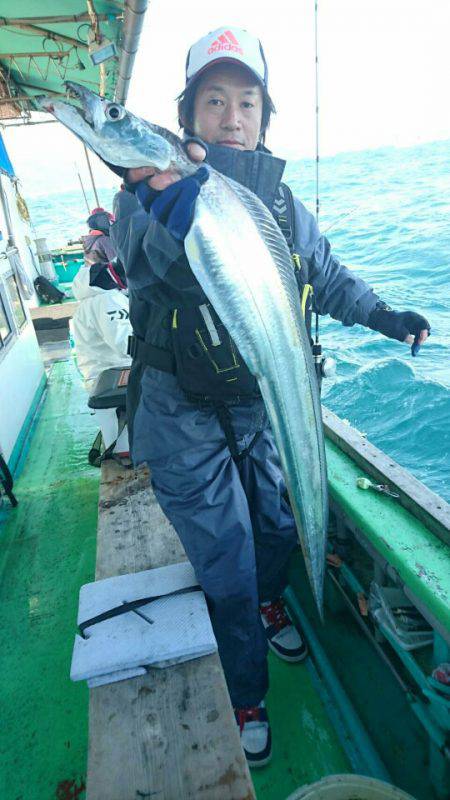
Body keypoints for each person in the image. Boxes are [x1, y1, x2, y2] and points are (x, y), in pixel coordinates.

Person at [110, 26, 430, 767]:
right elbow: (140, 266)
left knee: (279, 526)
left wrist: (385, 316)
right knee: (224, 558)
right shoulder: (146, 188)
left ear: (263, 115)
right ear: (187, 116)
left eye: (247, 102)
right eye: (214, 100)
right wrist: (173, 223)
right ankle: (247, 690)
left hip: (259, 406)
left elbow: (326, 274)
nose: (231, 117)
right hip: (179, 412)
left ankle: (270, 600)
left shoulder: (282, 204)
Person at [71, 260, 132, 459]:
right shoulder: (108, 300)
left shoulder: (91, 300)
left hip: (100, 373)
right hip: (114, 372)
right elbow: (126, 345)